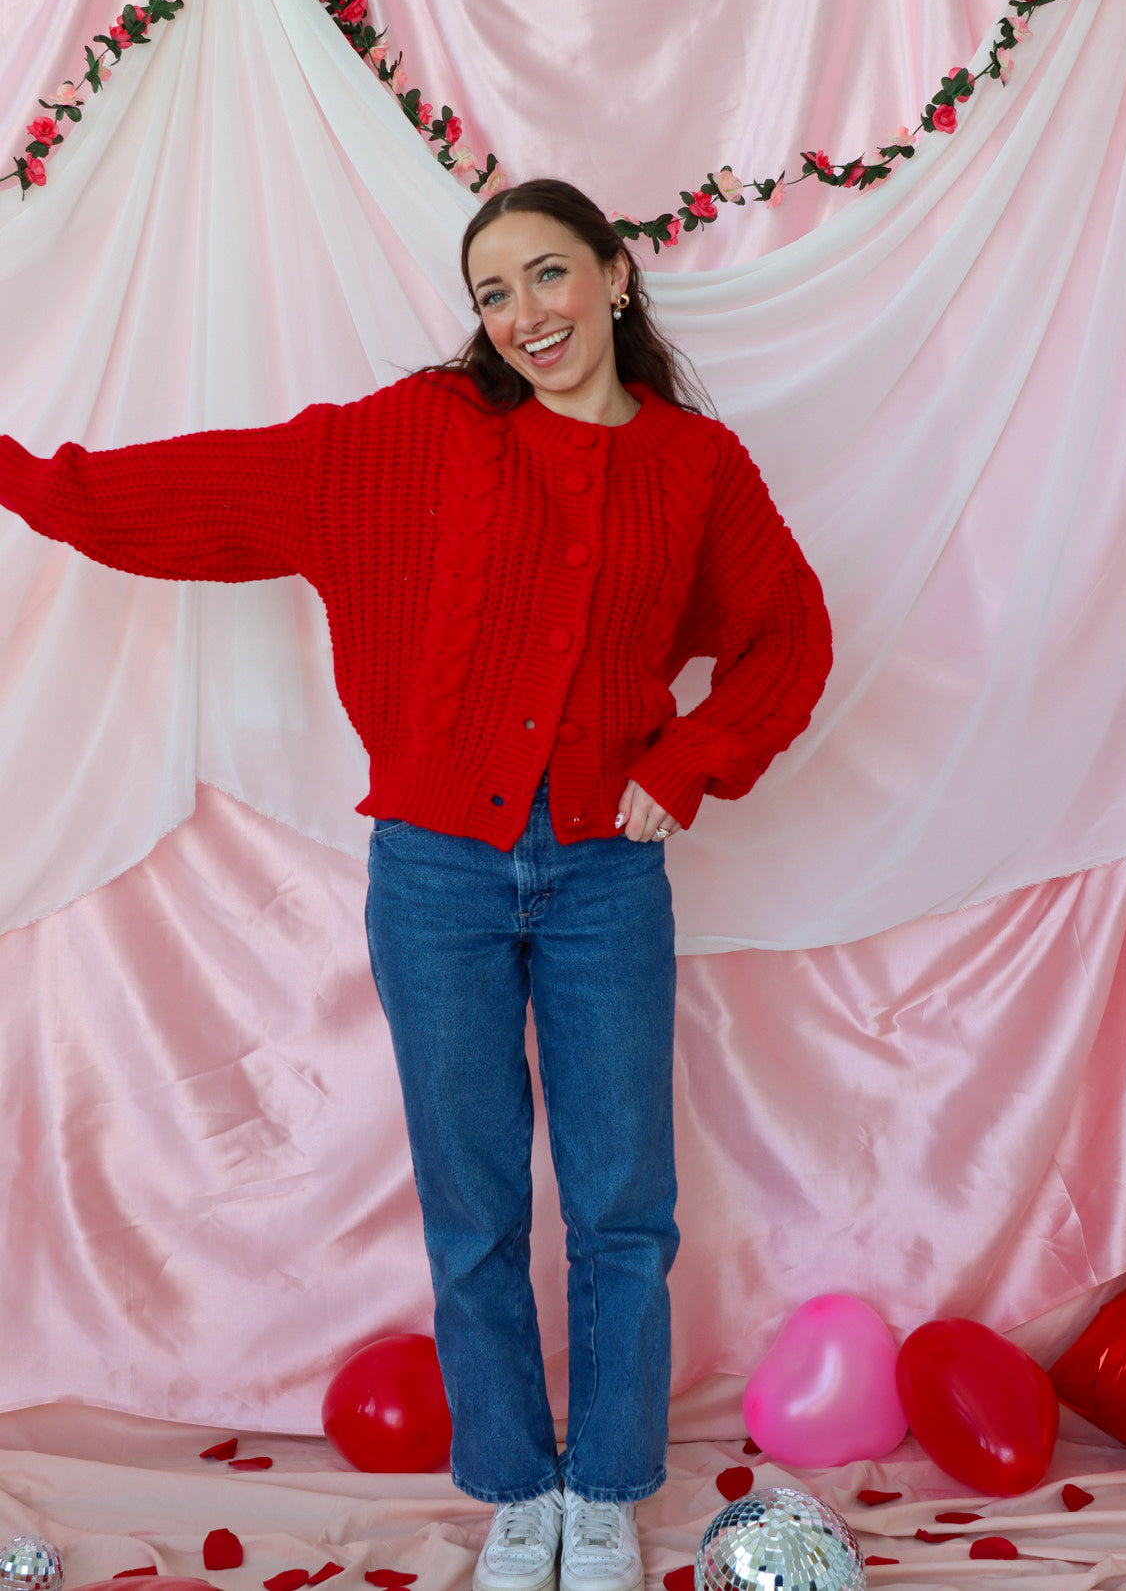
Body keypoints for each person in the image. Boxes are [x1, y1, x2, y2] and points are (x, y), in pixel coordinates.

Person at [0, 179, 832, 1591]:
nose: (524, 316)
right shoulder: (414, 440)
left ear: (617, 277)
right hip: (435, 874)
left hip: (602, 876)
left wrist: (681, 766)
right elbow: (207, 490)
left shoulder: (697, 466)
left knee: (624, 1199)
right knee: (474, 1200)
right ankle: (516, 1488)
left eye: (548, 277)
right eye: (494, 294)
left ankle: (608, 1488)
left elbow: (788, 641)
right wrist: (30, 478)